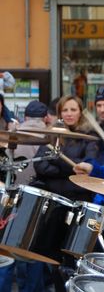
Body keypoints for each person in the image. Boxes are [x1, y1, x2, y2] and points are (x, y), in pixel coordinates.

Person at [0, 100, 49, 291]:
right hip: (26, 196)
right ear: (45, 118)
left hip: (13, 195)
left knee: (13, 249)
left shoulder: (13, 128)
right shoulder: (15, 128)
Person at [33, 95, 98, 202]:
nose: (69, 114)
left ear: (80, 112)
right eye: (65, 110)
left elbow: (87, 165)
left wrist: (55, 159)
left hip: (77, 197)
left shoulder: (89, 136)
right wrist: (66, 171)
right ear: (60, 114)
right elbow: (39, 165)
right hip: (51, 195)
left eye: (73, 110)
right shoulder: (52, 134)